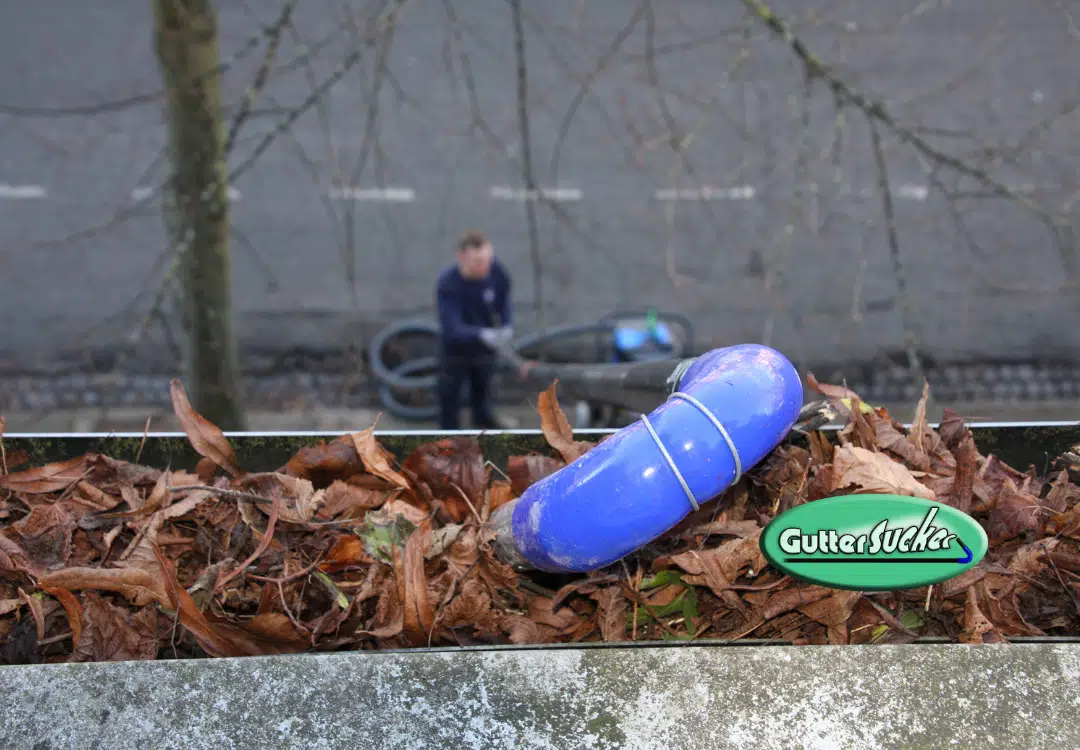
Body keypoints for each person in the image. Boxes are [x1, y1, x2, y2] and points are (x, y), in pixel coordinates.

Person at [435, 230, 514, 430]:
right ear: (462, 258)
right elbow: (452, 328)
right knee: (449, 398)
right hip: (456, 352)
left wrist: (507, 325)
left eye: (488, 260)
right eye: (478, 262)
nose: (484, 267)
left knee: (483, 394)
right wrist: (481, 334)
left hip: (485, 352)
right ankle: (449, 440)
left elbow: (504, 300)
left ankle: (486, 427)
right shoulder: (448, 284)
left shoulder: (496, 273)